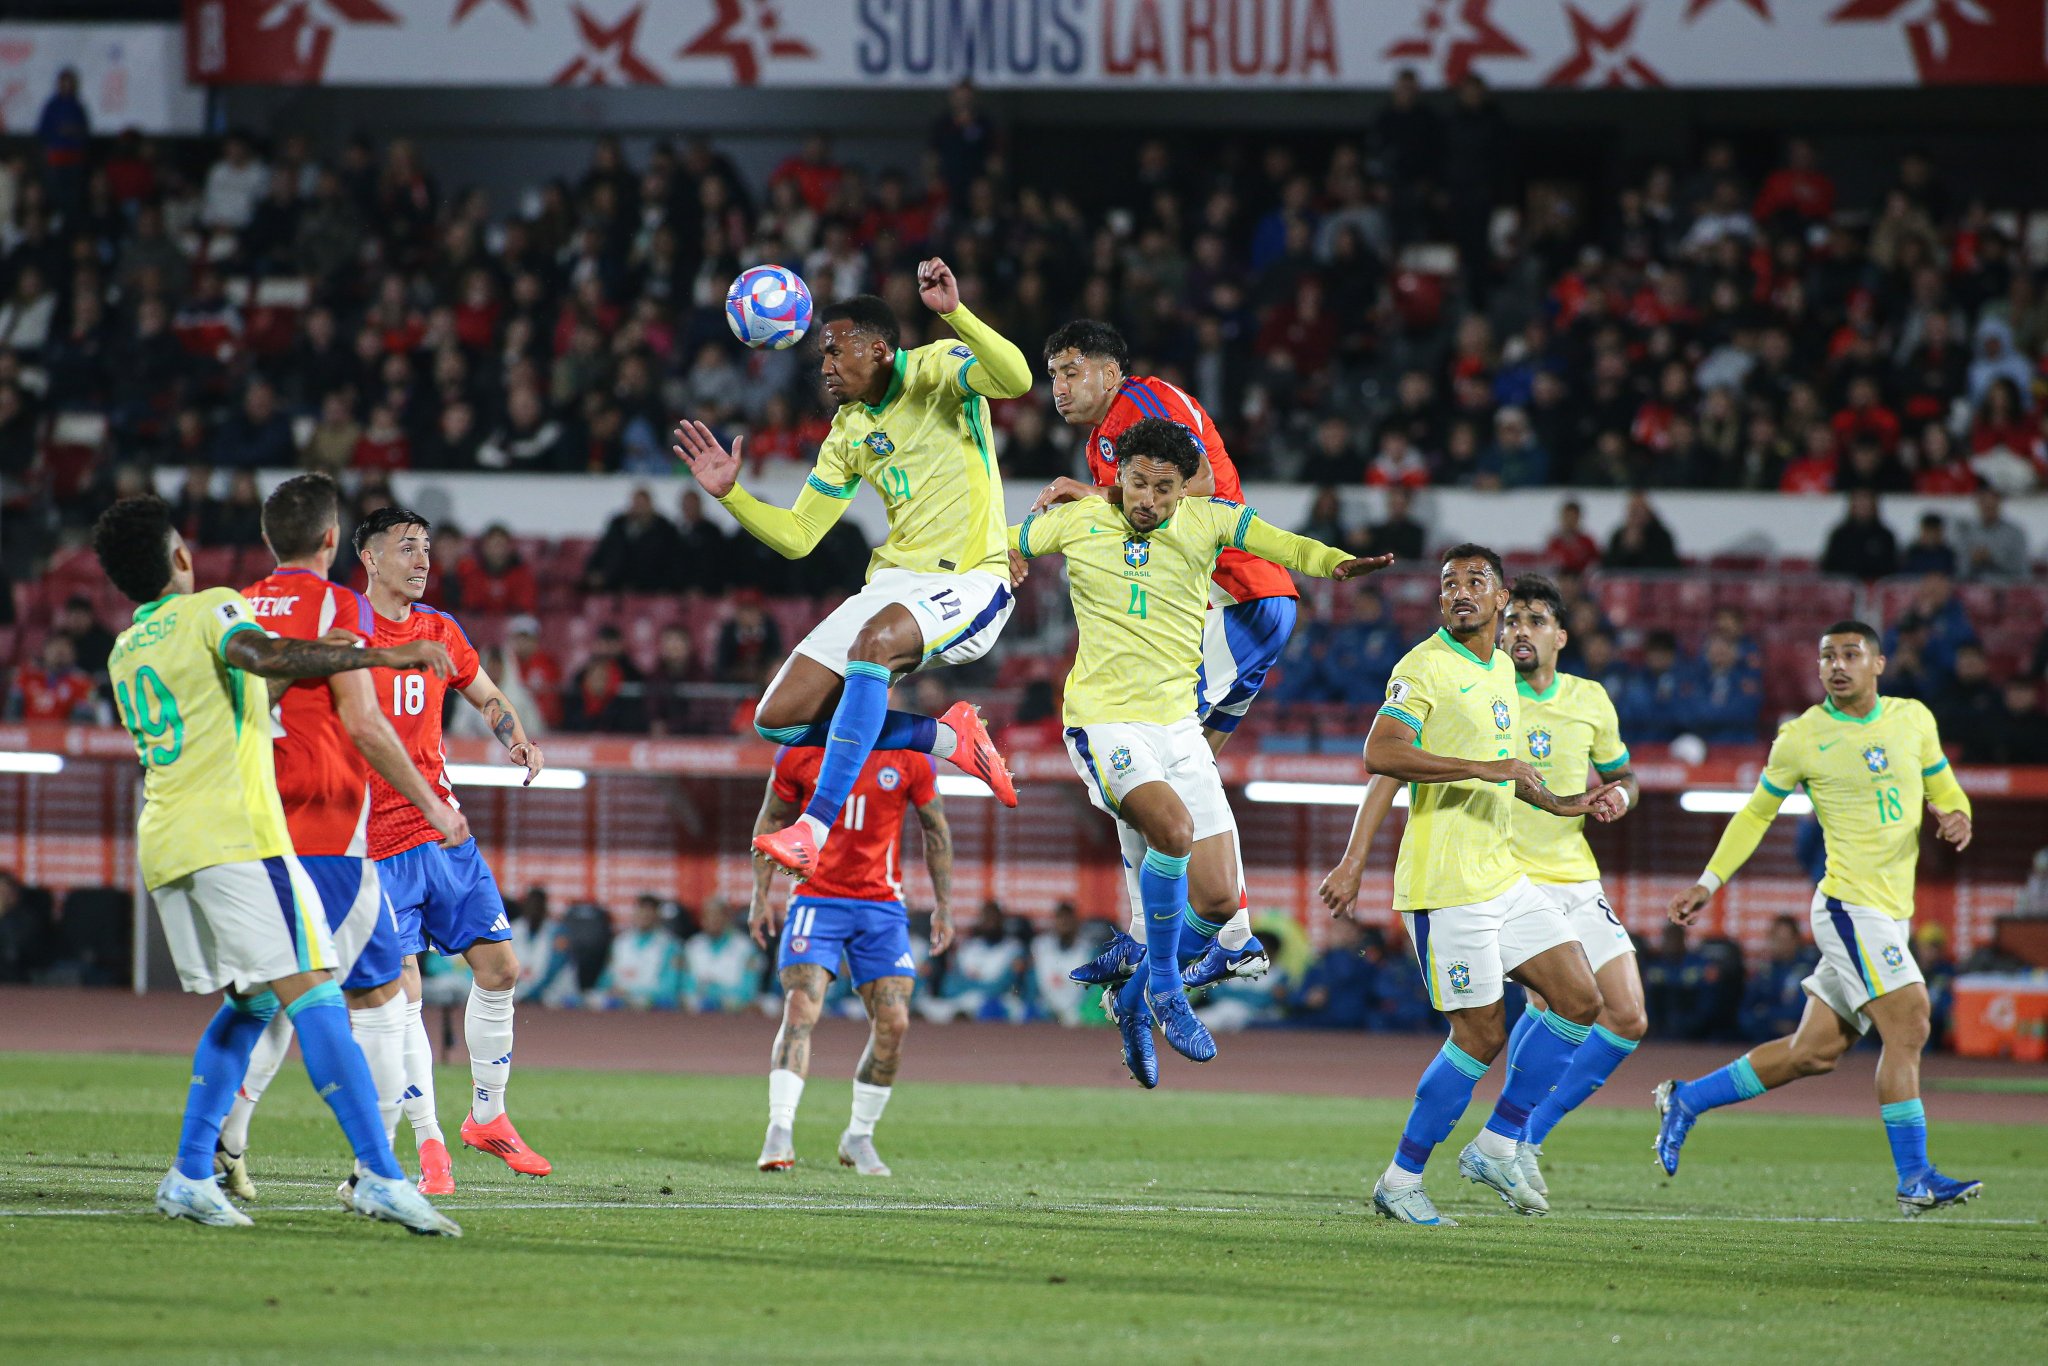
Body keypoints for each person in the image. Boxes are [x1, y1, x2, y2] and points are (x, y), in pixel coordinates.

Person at [89, 493, 458, 1235]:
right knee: (320, 997)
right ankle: (381, 1176)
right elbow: (263, 656)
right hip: (237, 841)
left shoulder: (128, 645)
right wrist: (385, 652)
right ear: (182, 559)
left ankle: (194, 1171)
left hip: (167, 844)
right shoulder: (215, 609)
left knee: (253, 1002)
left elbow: (260, 686)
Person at [1010, 417, 1388, 1086]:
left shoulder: (1209, 521)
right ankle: (1162, 988)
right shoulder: (1075, 523)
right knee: (1174, 830)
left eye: (1162, 487)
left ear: (1184, 488)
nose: (1147, 499)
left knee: (1216, 901)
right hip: (1104, 723)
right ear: (1116, 478)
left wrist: (1336, 563)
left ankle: (1130, 1004)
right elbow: (1000, 540)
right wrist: (1000, 555)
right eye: (1135, 483)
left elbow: (1280, 543)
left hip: (1177, 726)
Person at [673, 260, 1031, 880]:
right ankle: (948, 738)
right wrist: (731, 496)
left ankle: (813, 828)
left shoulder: (940, 369)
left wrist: (955, 312)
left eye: (836, 351)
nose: (826, 366)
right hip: (894, 584)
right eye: (821, 356)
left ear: (880, 348)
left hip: (971, 579)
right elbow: (798, 537)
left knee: (873, 646)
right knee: (778, 721)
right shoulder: (846, 432)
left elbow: (1018, 379)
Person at [1318, 545, 1623, 1226]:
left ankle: (1497, 1141)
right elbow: (1382, 752)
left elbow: (1510, 773)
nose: (1459, 592)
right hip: (1447, 884)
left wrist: (1567, 804)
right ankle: (1400, 1180)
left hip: (1503, 874)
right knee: (1480, 1037)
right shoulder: (1424, 665)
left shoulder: (1500, 673)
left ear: (1500, 598)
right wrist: (1357, 856)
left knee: (1579, 999)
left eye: (1474, 582)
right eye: (1448, 583)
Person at [1657, 621, 1981, 1217]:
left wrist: (1957, 815)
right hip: (1848, 907)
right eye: (1827, 655)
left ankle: (1686, 1100)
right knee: (1909, 1021)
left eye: (1851, 654)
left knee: (1813, 1053)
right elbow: (1755, 815)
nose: (1837, 664)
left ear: (1878, 663)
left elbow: (1946, 789)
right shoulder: (1803, 736)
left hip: (1890, 912)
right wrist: (1708, 882)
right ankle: (1915, 1178)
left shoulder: (1913, 719)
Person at [215, 474, 471, 1203]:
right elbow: (362, 723)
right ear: (333, 541)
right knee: (385, 1001)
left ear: (269, 541)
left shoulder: (234, 609)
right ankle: (377, 1173)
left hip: (250, 831)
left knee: (263, 993)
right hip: (327, 831)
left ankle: (220, 1144)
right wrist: (433, 804)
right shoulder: (340, 605)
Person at [356, 506, 553, 1194]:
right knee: (400, 997)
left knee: (501, 969)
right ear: (369, 557)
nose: (422, 560)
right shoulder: (346, 633)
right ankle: (426, 1143)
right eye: (407, 548)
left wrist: (516, 737)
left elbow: (485, 691)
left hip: (443, 832)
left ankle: (487, 1118)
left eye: (427, 549)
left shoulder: (441, 630)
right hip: (375, 844)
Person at [1036, 320, 1303, 757]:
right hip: (1212, 606)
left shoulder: (1146, 400)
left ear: (1108, 374)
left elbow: (1199, 480)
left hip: (1237, 597)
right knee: (1190, 773)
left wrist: (1093, 493)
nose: (1059, 388)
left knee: (1147, 735)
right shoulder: (1097, 443)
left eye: (1070, 372)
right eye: (1053, 376)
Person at [748, 743, 953, 1177]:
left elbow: (934, 828)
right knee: (801, 1006)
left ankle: (859, 1136)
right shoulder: (800, 750)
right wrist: (760, 894)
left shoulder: (909, 754)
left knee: (895, 1022)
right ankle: (779, 1129)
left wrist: (944, 905)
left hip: (880, 904)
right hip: (815, 897)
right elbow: (772, 817)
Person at [595, 896, 682, 1010]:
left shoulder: (670, 945)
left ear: (658, 916)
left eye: (649, 911)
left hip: (654, 1010)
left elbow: (670, 988)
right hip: (619, 1009)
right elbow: (605, 980)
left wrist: (630, 992)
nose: (644, 916)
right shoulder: (620, 942)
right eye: (641, 910)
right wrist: (607, 991)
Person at [681, 898, 760, 1013]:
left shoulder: (745, 948)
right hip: (699, 1011)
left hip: (734, 1011)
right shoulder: (693, 946)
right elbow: (687, 987)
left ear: (727, 918)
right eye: (707, 916)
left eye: (717, 916)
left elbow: (748, 991)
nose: (712, 921)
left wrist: (715, 992)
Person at [1029, 903, 1096, 1026]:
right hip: (1046, 1008)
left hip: (1076, 1010)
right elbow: (1033, 980)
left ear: (1076, 922)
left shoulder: (1088, 950)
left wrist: (1079, 1009)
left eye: (1068, 920)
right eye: (1060, 919)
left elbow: (1091, 989)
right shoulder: (1041, 946)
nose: (1064, 924)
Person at [1952, 487, 2030, 582]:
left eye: (1992, 506)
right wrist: (1972, 560)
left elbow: (2022, 568)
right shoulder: (1967, 532)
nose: (1988, 509)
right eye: (1985, 505)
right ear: (1978, 504)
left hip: (2008, 587)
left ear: (1999, 504)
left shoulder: (2015, 533)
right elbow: (1960, 570)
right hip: (1974, 588)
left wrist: (1992, 557)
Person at [1820, 490, 1899, 580]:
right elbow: (1829, 567)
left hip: (1876, 588)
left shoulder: (1885, 536)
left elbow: (1892, 568)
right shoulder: (1839, 535)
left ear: (1874, 506)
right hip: (1843, 588)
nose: (1863, 507)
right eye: (1859, 503)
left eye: (1866, 503)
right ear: (1852, 506)